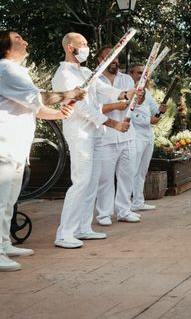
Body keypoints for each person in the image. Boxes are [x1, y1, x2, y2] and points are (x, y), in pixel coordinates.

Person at [0, 30, 78, 271]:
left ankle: (4, 244)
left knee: (10, 201)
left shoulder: (16, 72)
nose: (25, 42)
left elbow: (33, 107)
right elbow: (40, 97)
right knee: (1, 201)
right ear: (5, 48)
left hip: (16, 146)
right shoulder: (6, 69)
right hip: (4, 144)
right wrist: (71, 94)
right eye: (18, 40)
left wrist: (60, 113)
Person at [51, 33, 133, 248]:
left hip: (95, 133)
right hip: (80, 133)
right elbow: (80, 106)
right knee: (81, 181)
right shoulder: (64, 74)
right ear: (70, 47)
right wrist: (112, 123)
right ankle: (64, 233)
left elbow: (104, 89)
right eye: (83, 44)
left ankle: (83, 227)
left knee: (92, 181)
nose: (87, 47)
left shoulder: (86, 72)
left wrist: (126, 94)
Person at [94, 47, 140, 225]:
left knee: (127, 174)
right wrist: (114, 106)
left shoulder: (127, 79)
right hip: (105, 136)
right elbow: (92, 108)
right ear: (99, 60)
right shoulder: (93, 80)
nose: (114, 61)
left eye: (116, 58)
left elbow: (133, 102)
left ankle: (124, 210)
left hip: (128, 133)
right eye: (109, 58)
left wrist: (138, 99)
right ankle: (104, 213)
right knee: (105, 178)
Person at [129, 63, 167, 212]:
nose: (142, 76)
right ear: (131, 74)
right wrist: (148, 120)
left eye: (144, 74)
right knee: (132, 169)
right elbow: (129, 112)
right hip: (135, 134)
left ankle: (138, 201)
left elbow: (155, 112)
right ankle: (125, 203)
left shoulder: (147, 92)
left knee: (142, 170)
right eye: (139, 73)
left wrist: (161, 111)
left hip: (147, 134)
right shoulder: (128, 92)